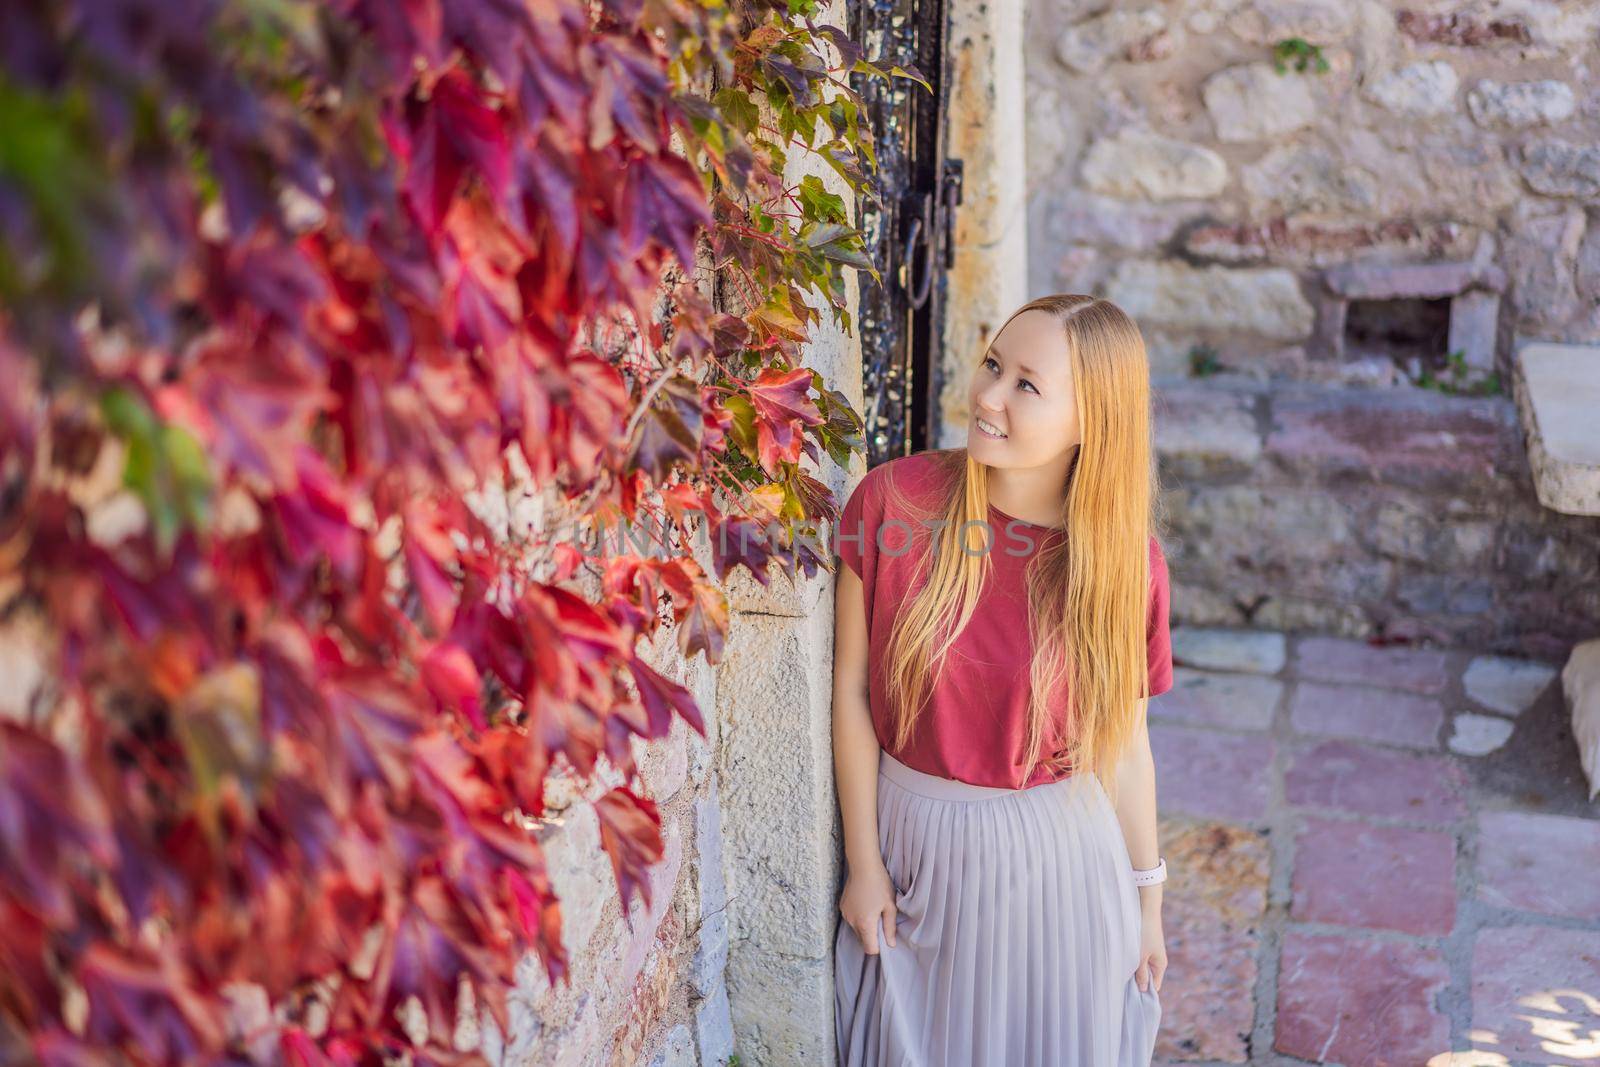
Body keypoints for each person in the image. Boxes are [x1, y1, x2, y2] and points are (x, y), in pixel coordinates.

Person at [831, 295, 1172, 1066]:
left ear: (1094, 422)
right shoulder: (891, 504)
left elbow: (1127, 749)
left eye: (1027, 384)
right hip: (918, 862)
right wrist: (864, 864)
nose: (987, 396)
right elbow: (850, 692)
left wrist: (1148, 903)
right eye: (993, 363)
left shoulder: (1124, 566)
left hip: (1065, 873)